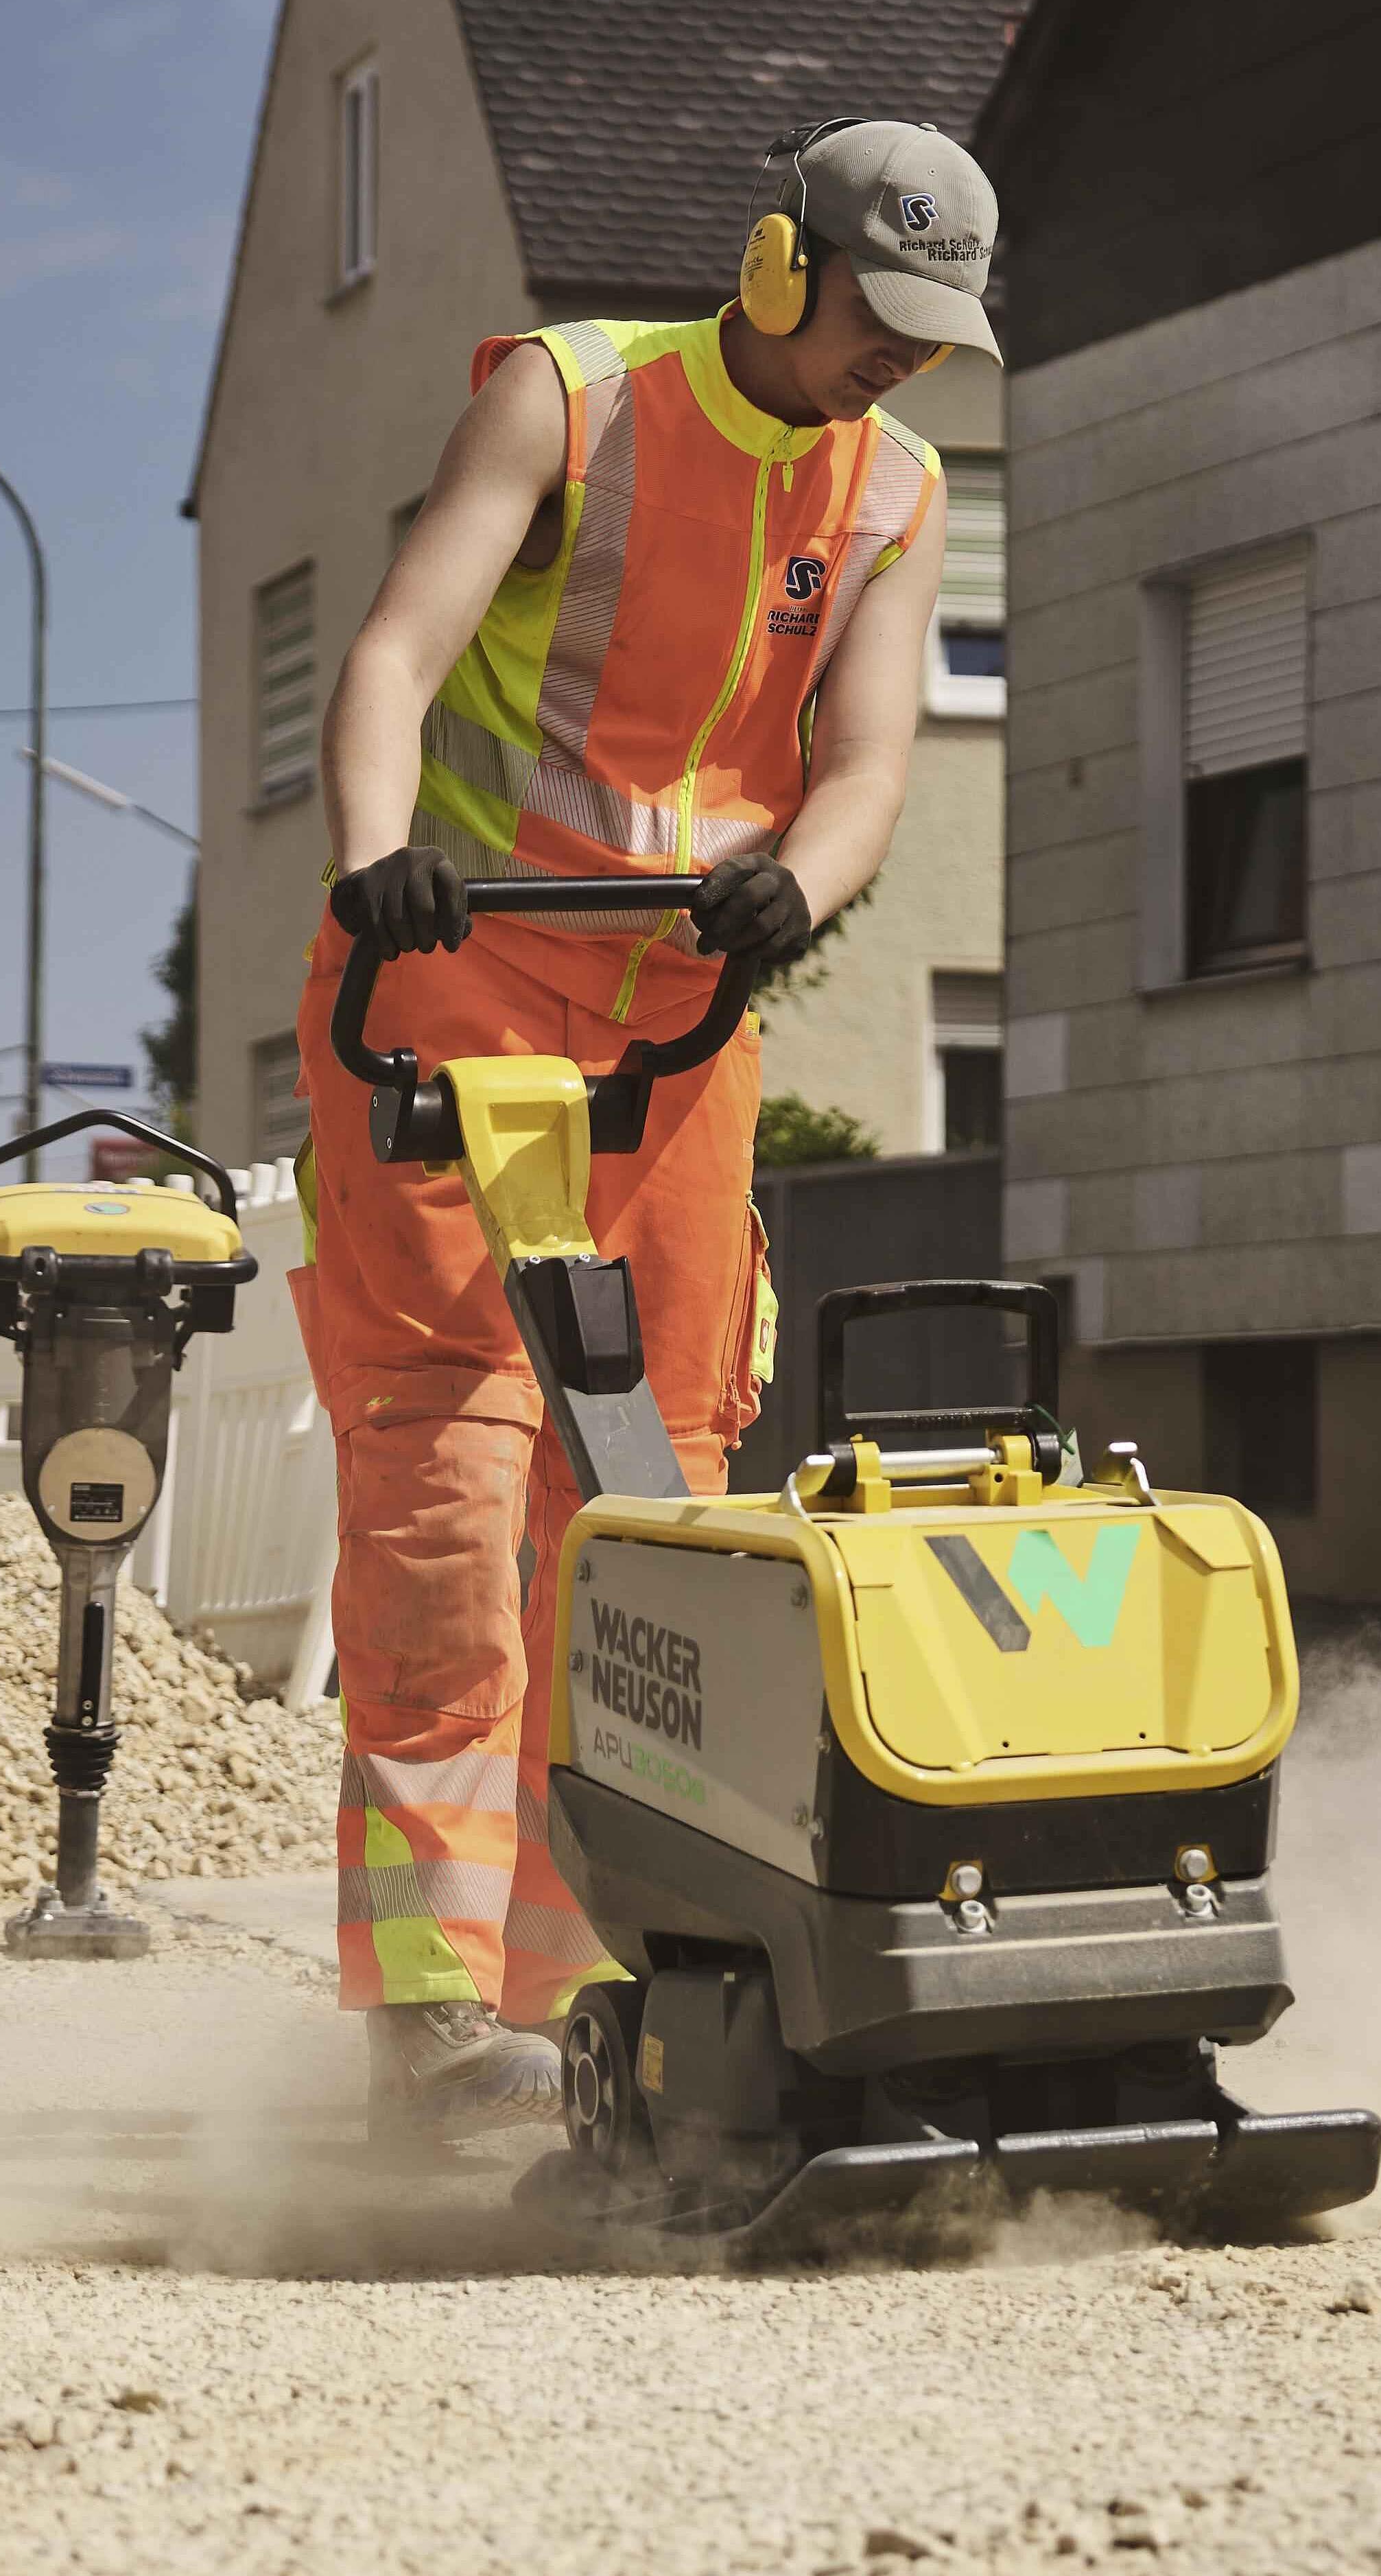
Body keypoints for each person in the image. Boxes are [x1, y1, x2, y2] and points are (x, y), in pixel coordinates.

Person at [291, 117, 989, 2135]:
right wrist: (378, 861)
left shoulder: (901, 487)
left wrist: (804, 888)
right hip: (455, 976)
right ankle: (429, 2022)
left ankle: (597, 1998)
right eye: (878, 314)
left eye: (933, 333)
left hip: (676, 1030)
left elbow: (867, 767)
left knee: (653, 1509)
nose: (899, 358)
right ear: (780, 264)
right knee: (450, 1480)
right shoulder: (571, 398)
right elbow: (394, 652)